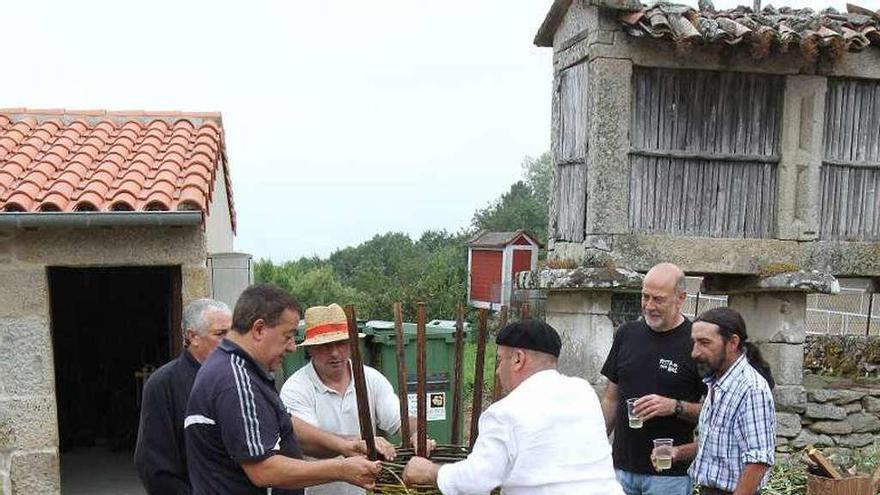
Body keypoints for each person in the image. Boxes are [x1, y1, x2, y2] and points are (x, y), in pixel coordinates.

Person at [185, 284, 380, 495]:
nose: (292, 347)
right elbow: (263, 470)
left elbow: (285, 425)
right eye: (287, 336)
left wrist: (344, 445)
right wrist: (341, 469)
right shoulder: (235, 380)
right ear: (259, 329)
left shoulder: (240, 370)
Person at [402, 320, 623, 495]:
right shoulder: (583, 392)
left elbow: (477, 479)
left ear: (518, 359)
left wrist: (430, 471)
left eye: (500, 360)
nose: (498, 371)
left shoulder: (506, 412)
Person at [280, 303, 431, 495]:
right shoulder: (296, 388)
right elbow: (307, 441)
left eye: (341, 343)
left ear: (352, 345)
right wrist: (360, 442)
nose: (335, 353)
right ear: (311, 349)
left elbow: (400, 418)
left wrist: (416, 434)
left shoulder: (371, 378)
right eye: (326, 346)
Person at [600, 262, 706, 495]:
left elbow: (714, 412)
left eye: (658, 299)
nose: (649, 306)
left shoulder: (696, 343)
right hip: (619, 470)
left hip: (668, 476)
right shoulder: (626, 334)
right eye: (644, 297)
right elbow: (611, 397)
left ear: (681, 298)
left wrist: (674, 406)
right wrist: (596, 445)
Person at [655, 307, 775, 495]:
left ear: (732, 342)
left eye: (704, 343)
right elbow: (716, 446)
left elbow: (758, 462)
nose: (695, 353)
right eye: (694, 343)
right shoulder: (717, 383)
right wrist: (678, 452)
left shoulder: (751, 389)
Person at [134, 298, 232, 495]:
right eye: (221, 334)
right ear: (193, 337)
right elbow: (154, 466)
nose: (230, 341)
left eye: (232, 333)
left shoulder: (238, 378)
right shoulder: (163, 384)